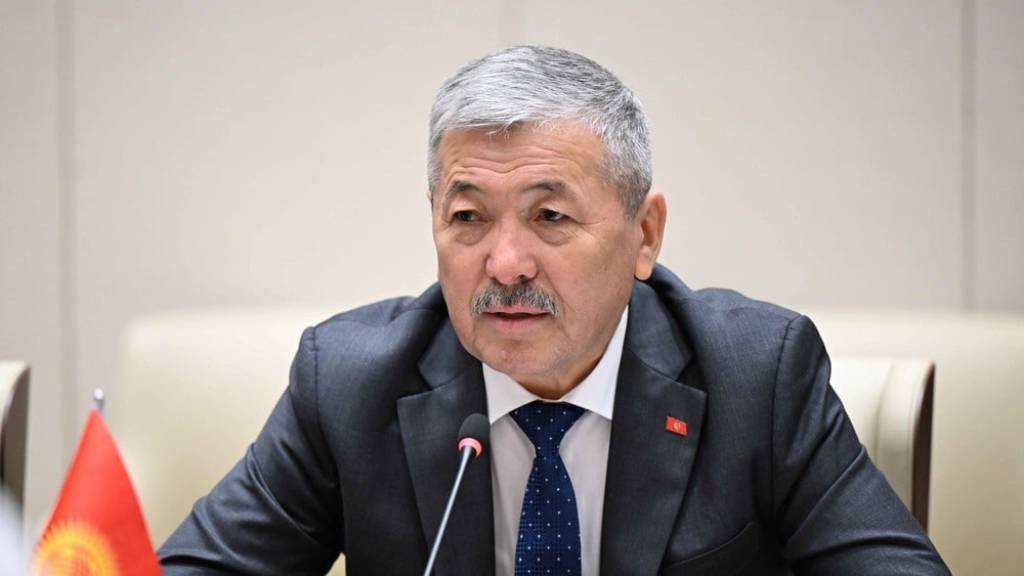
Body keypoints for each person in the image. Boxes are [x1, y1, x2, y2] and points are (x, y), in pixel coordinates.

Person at [159, 46, 949, 575]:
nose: (505, 264)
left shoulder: (758, 378)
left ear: (644, 235)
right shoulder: (348, 386)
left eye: (550, 216)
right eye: (468, 218)